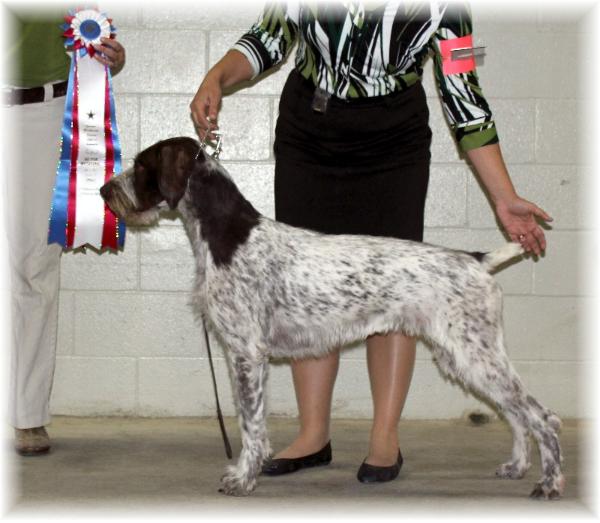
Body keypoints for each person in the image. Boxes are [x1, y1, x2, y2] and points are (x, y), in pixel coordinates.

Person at [190, 2, 551, 482]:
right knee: (307, 287)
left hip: (393, 139)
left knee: (396, 287)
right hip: (309, 133)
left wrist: (504, 198)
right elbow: (267, 39)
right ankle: (312, 435)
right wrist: (216, 76)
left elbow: (464, 96)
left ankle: (385, 437)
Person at [3, 6, 126, 456]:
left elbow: (91, 26)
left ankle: (27, 415)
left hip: (44, 109)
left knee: (34, 264)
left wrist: (109, 52)